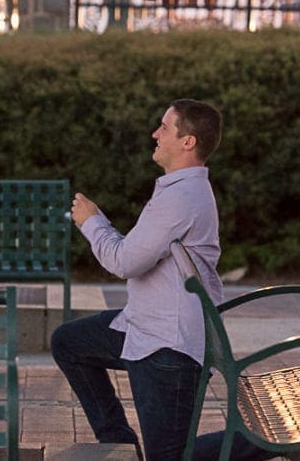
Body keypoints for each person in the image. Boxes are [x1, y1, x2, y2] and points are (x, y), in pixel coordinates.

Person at [51, 99, 225, 460]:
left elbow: (125, 261)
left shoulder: (181, 197)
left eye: (164, 127)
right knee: (70, 342)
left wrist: (91, 222)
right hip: (144, 328)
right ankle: (120, 443)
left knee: (174, 456)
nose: (155, 134)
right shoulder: (178, 190)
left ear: (187, 141)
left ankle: (266, 440)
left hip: (168, 346)